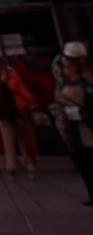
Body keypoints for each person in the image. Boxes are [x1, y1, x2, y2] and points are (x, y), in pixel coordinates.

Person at [0, 56, 37, 179]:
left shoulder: (12, 75)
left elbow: (21, 90)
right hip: (2, 111)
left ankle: (29, 164)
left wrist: (31, 102)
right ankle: (11, 167)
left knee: (23, 138)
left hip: (17, 109)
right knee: (7, 141)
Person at [54, 41, 93, 206]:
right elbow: (58, 96)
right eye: (65, 63)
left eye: (70, 63)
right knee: (81, 160)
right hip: (72, 123)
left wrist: (77, 98)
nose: (66, 66)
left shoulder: (88, 78)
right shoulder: (64, 80)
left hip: (88, 123)